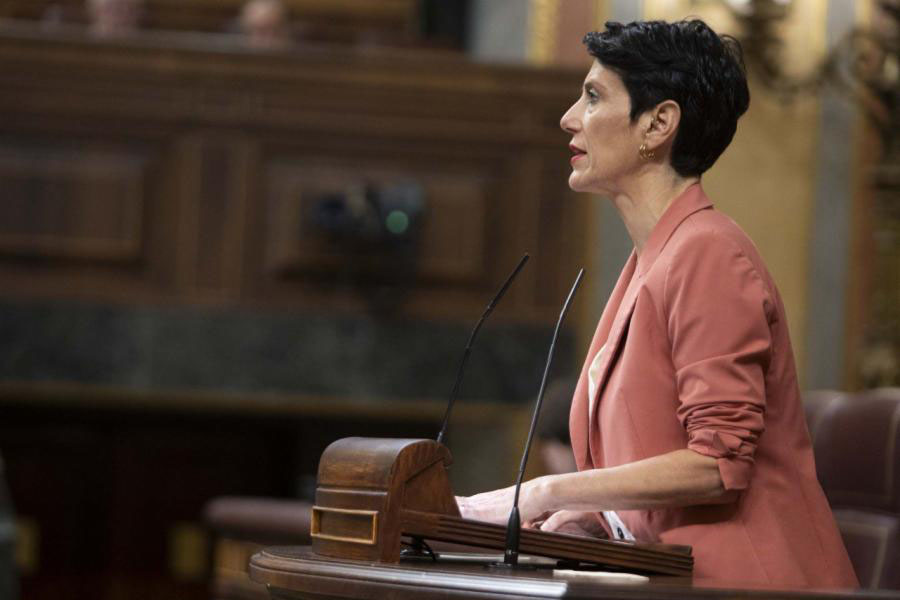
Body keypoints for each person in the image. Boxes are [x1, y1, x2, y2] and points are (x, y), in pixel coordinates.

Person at [456, 20, 858, 588]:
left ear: (659, 124)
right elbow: (649, 463)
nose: (570, 117)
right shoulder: (653, 259)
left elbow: (717, 465)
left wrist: (545, 491)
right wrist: (596, 519)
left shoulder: (709, 253)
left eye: (593, 96)